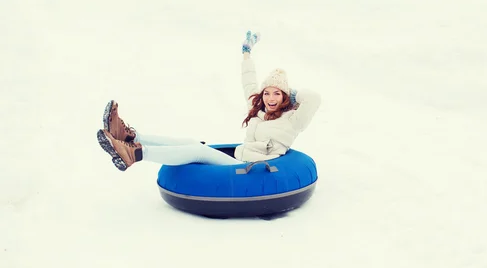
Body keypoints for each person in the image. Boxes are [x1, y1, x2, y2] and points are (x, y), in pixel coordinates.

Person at [96, 31, 321, 171]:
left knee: (198, 151)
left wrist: (289, 91)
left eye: (277, 94)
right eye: (267, 93)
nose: (270, 98)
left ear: (284, 97)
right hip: (241, 158)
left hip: (253, 169)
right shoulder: (259, 111)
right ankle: (129, 136)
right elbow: (250, 83)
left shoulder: (293, 120)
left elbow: (314, 98)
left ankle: (134, 154)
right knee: (192, 141)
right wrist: (246, 53)